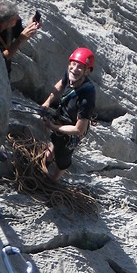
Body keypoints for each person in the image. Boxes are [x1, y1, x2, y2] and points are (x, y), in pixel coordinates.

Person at [41, 47, 96, 181]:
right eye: (73, 64)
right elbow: (61, 84)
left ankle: (53, 180)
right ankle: (43, 165)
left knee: (62, 158)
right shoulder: (71, 74)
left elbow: (78, 129)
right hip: (61, 118)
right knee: (53, 144)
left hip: (71, 131)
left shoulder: (87, 98)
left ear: (87, 71)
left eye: (80, 67)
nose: (74, 69)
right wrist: (47, 102)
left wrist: (54, 127)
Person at [0, 1, 42, 79]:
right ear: (4, 24)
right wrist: (19, 40)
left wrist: (30, 27)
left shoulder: (14, 24)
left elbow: (20, 33)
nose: (18, 18)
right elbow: (1, 58)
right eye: (14, 19)